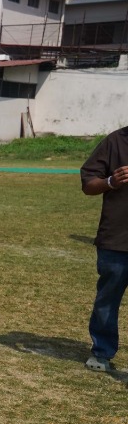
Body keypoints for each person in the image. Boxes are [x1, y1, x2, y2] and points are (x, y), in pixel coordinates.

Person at [81, 124, 128, 372]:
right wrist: (111, 181)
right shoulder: (115, 141)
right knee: (107, 299)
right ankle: (102, 351)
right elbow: (88, 184)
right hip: (117, 239)